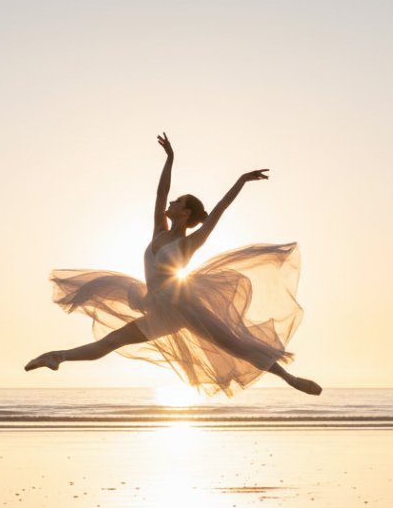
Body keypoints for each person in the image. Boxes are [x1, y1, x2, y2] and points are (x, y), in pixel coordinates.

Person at [24, 133, 321, 397]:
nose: (170, 204)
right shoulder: (159, 232)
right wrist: (170, 159)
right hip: (156, 307)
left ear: (186, 211)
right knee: (112, 342)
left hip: (184, 305)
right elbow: (160, 194)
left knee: (235, 345)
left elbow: (219, 209)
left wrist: (241, 180)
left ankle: (290, 379)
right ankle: (56, 356)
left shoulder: (190, 242)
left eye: (177, 202)